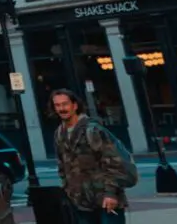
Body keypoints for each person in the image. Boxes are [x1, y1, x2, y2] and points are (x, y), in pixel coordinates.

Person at [52, 88, 131, 224]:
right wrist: (67, 192)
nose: (61, 109)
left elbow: (114, 163)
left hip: (105, 200)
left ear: (75, 105)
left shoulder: (93, 130)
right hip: (80, 203)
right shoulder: (59, 134)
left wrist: (111, 193)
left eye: (65, 104)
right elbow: (62, 166)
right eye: (57, 105)